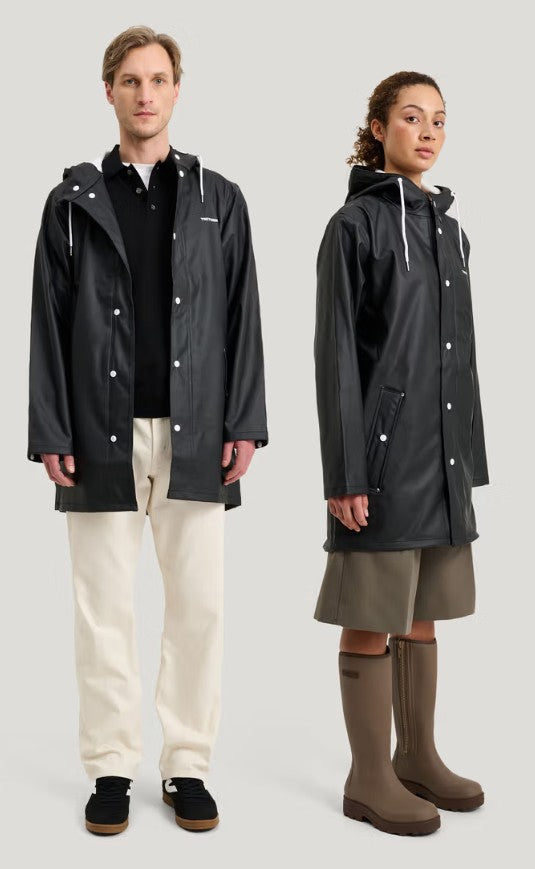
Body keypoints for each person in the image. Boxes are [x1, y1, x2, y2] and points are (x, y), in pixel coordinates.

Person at [27, 25, 268, 836]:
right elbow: (47, 322)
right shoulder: (70, 203)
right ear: (109, 91)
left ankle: (187, 763)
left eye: (158, 79)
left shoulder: (217, 198)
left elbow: (243, 315)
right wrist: (50, 428)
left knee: (200, 605)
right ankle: (109, 767)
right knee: (103, 609)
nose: (145, 93)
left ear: (176, 90)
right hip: (98, 432)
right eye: (130, 80)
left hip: (198, 432)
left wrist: (245, 421)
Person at [313, 71, 489, 836]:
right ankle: (367, 776)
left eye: (438, 120)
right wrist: (345, 472)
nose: (426, 132)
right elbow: (334, 358)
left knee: (423, 612)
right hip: (381, 463)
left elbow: (459, 357)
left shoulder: (449, 231)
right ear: (378, 128)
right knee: (371, 613)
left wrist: (467, 461)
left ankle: (415, 753)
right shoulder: (352, 227)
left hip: (441, 459)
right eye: (411, 117)